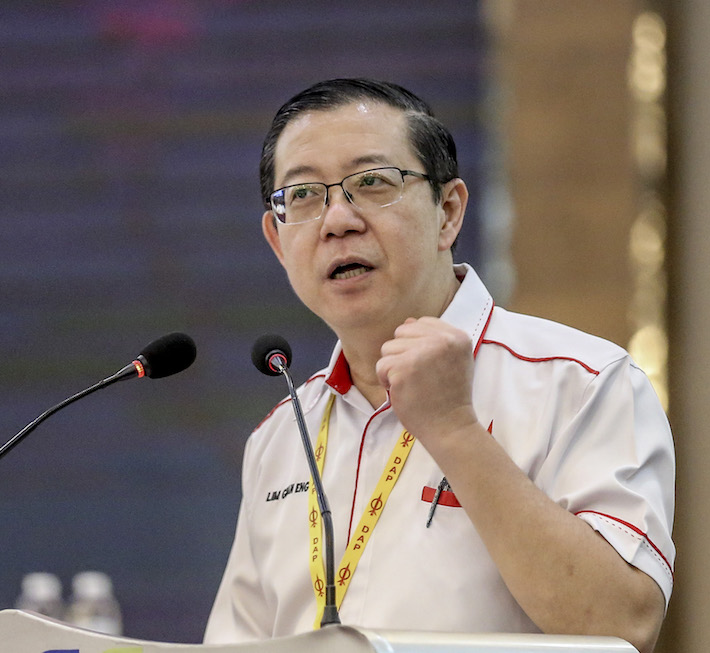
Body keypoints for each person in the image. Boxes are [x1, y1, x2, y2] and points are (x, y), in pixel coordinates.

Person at [204, 79, 674, 653]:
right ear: (278, 243)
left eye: (371, 182)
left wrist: (455, 428)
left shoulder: (581, 380)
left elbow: (623, 625)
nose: (337, 220)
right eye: (303, 195)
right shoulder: (281, 435)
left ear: (448, 212)